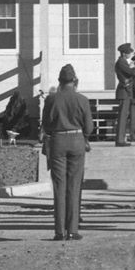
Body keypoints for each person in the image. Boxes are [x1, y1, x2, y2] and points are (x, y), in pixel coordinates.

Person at [41, 63, 94, 240]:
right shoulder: (83, 100)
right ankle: (73, 230)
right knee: (74, 185)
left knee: (59, 186)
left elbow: (46, 125)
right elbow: (89, 127)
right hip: (77, 140)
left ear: (59, 81)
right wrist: (83, 135)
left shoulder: (51, 99)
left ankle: (59, 231)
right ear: (75, 81)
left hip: (57, 141)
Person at [113, 43, 135, 146]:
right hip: (124, 91)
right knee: (122, 117)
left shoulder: (123, 62)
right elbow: (131, 73)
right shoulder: (121, 62)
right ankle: (120, 140)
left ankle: (121, 139)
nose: (130, 55)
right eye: (128, 53)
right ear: (123, 54)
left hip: (126, 91)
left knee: (124, 116)